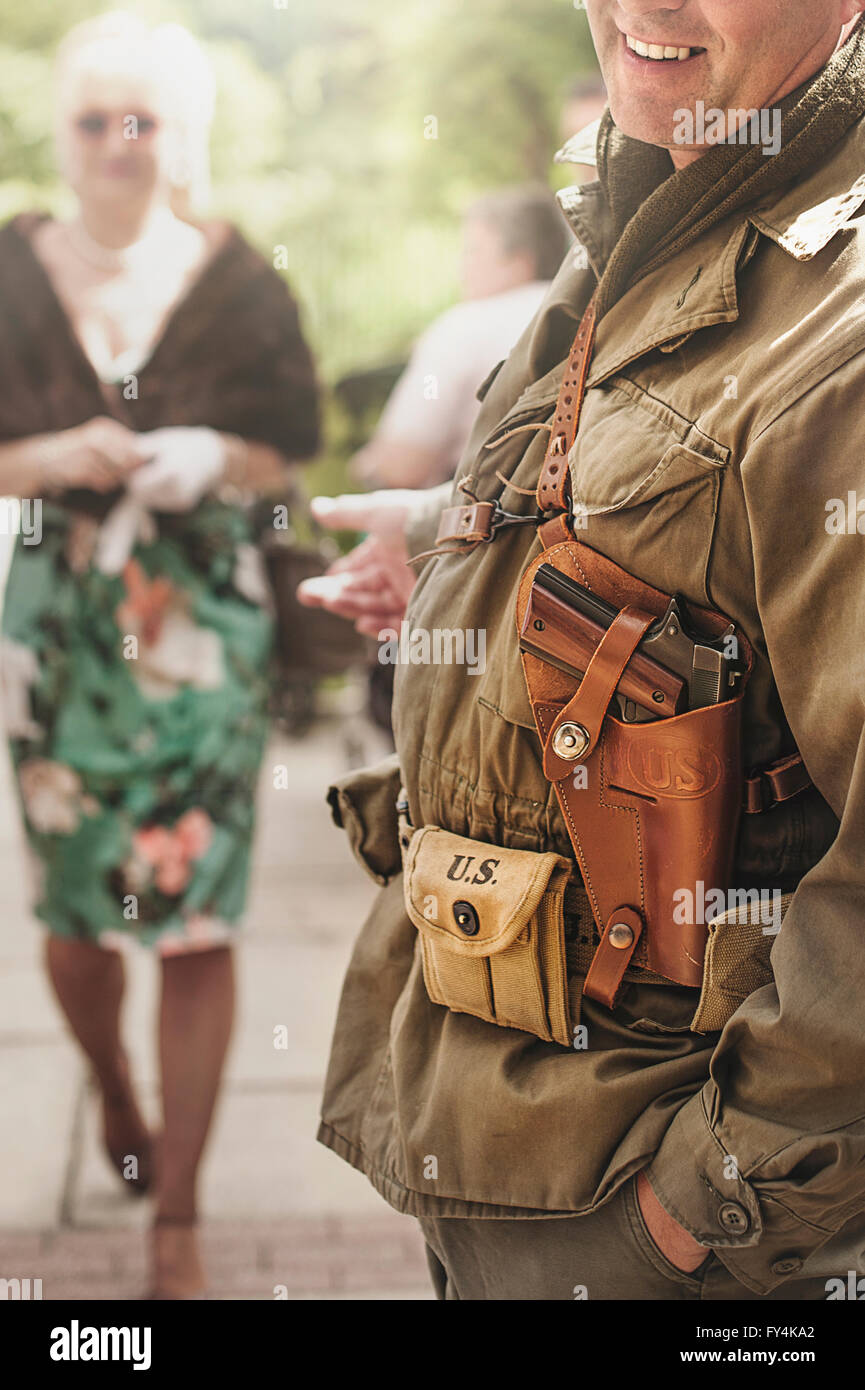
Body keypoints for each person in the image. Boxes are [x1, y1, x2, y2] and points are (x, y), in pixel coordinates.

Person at [303, 0, 865, 1300]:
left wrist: (695, 1208)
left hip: (668, 1222)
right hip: (515, 1147)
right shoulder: (660, 192)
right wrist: (465, 569)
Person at [0, 13, 318, 1298]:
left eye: (146, 120)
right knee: (80, 920)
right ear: (63, 135)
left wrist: (215, 459)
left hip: (202, 626)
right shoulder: (12, 269)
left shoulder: (239, 279)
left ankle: (174, 1212)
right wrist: (36, 460)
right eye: (96, 119)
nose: (119, 144)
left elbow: (287, 444)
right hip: (61, 629)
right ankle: (112, 1089)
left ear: (182, 136)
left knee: (195, 919)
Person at [350, 187, 569, 490]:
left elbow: (402, 467)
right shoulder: (591, 316)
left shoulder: (465, 324)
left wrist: (367, 465)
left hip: (480, 523)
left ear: (520, 262)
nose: (462, 268)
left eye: (473, 251)